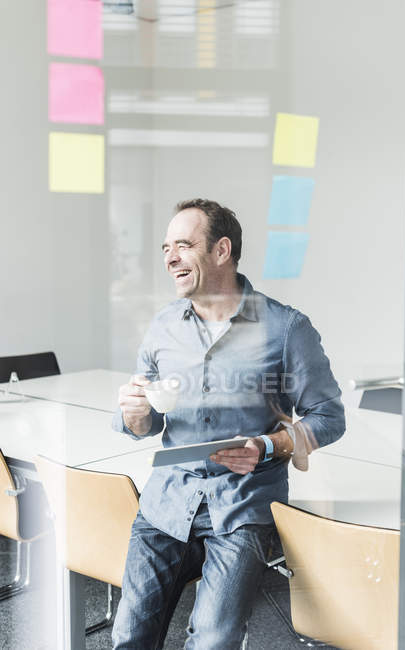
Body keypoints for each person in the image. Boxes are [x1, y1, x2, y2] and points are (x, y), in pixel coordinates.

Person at [112, 198, 345, 649]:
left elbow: (329, 417)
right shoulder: (163, 328)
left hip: (241, 507)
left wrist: (269, 445)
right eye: (166, 247)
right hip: (166, 500)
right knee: (128, 635)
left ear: (222, 251)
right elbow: (147, 421)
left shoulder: (286, 329)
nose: (169, 258)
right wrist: (135, 417)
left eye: (183, 244)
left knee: (214, 639)